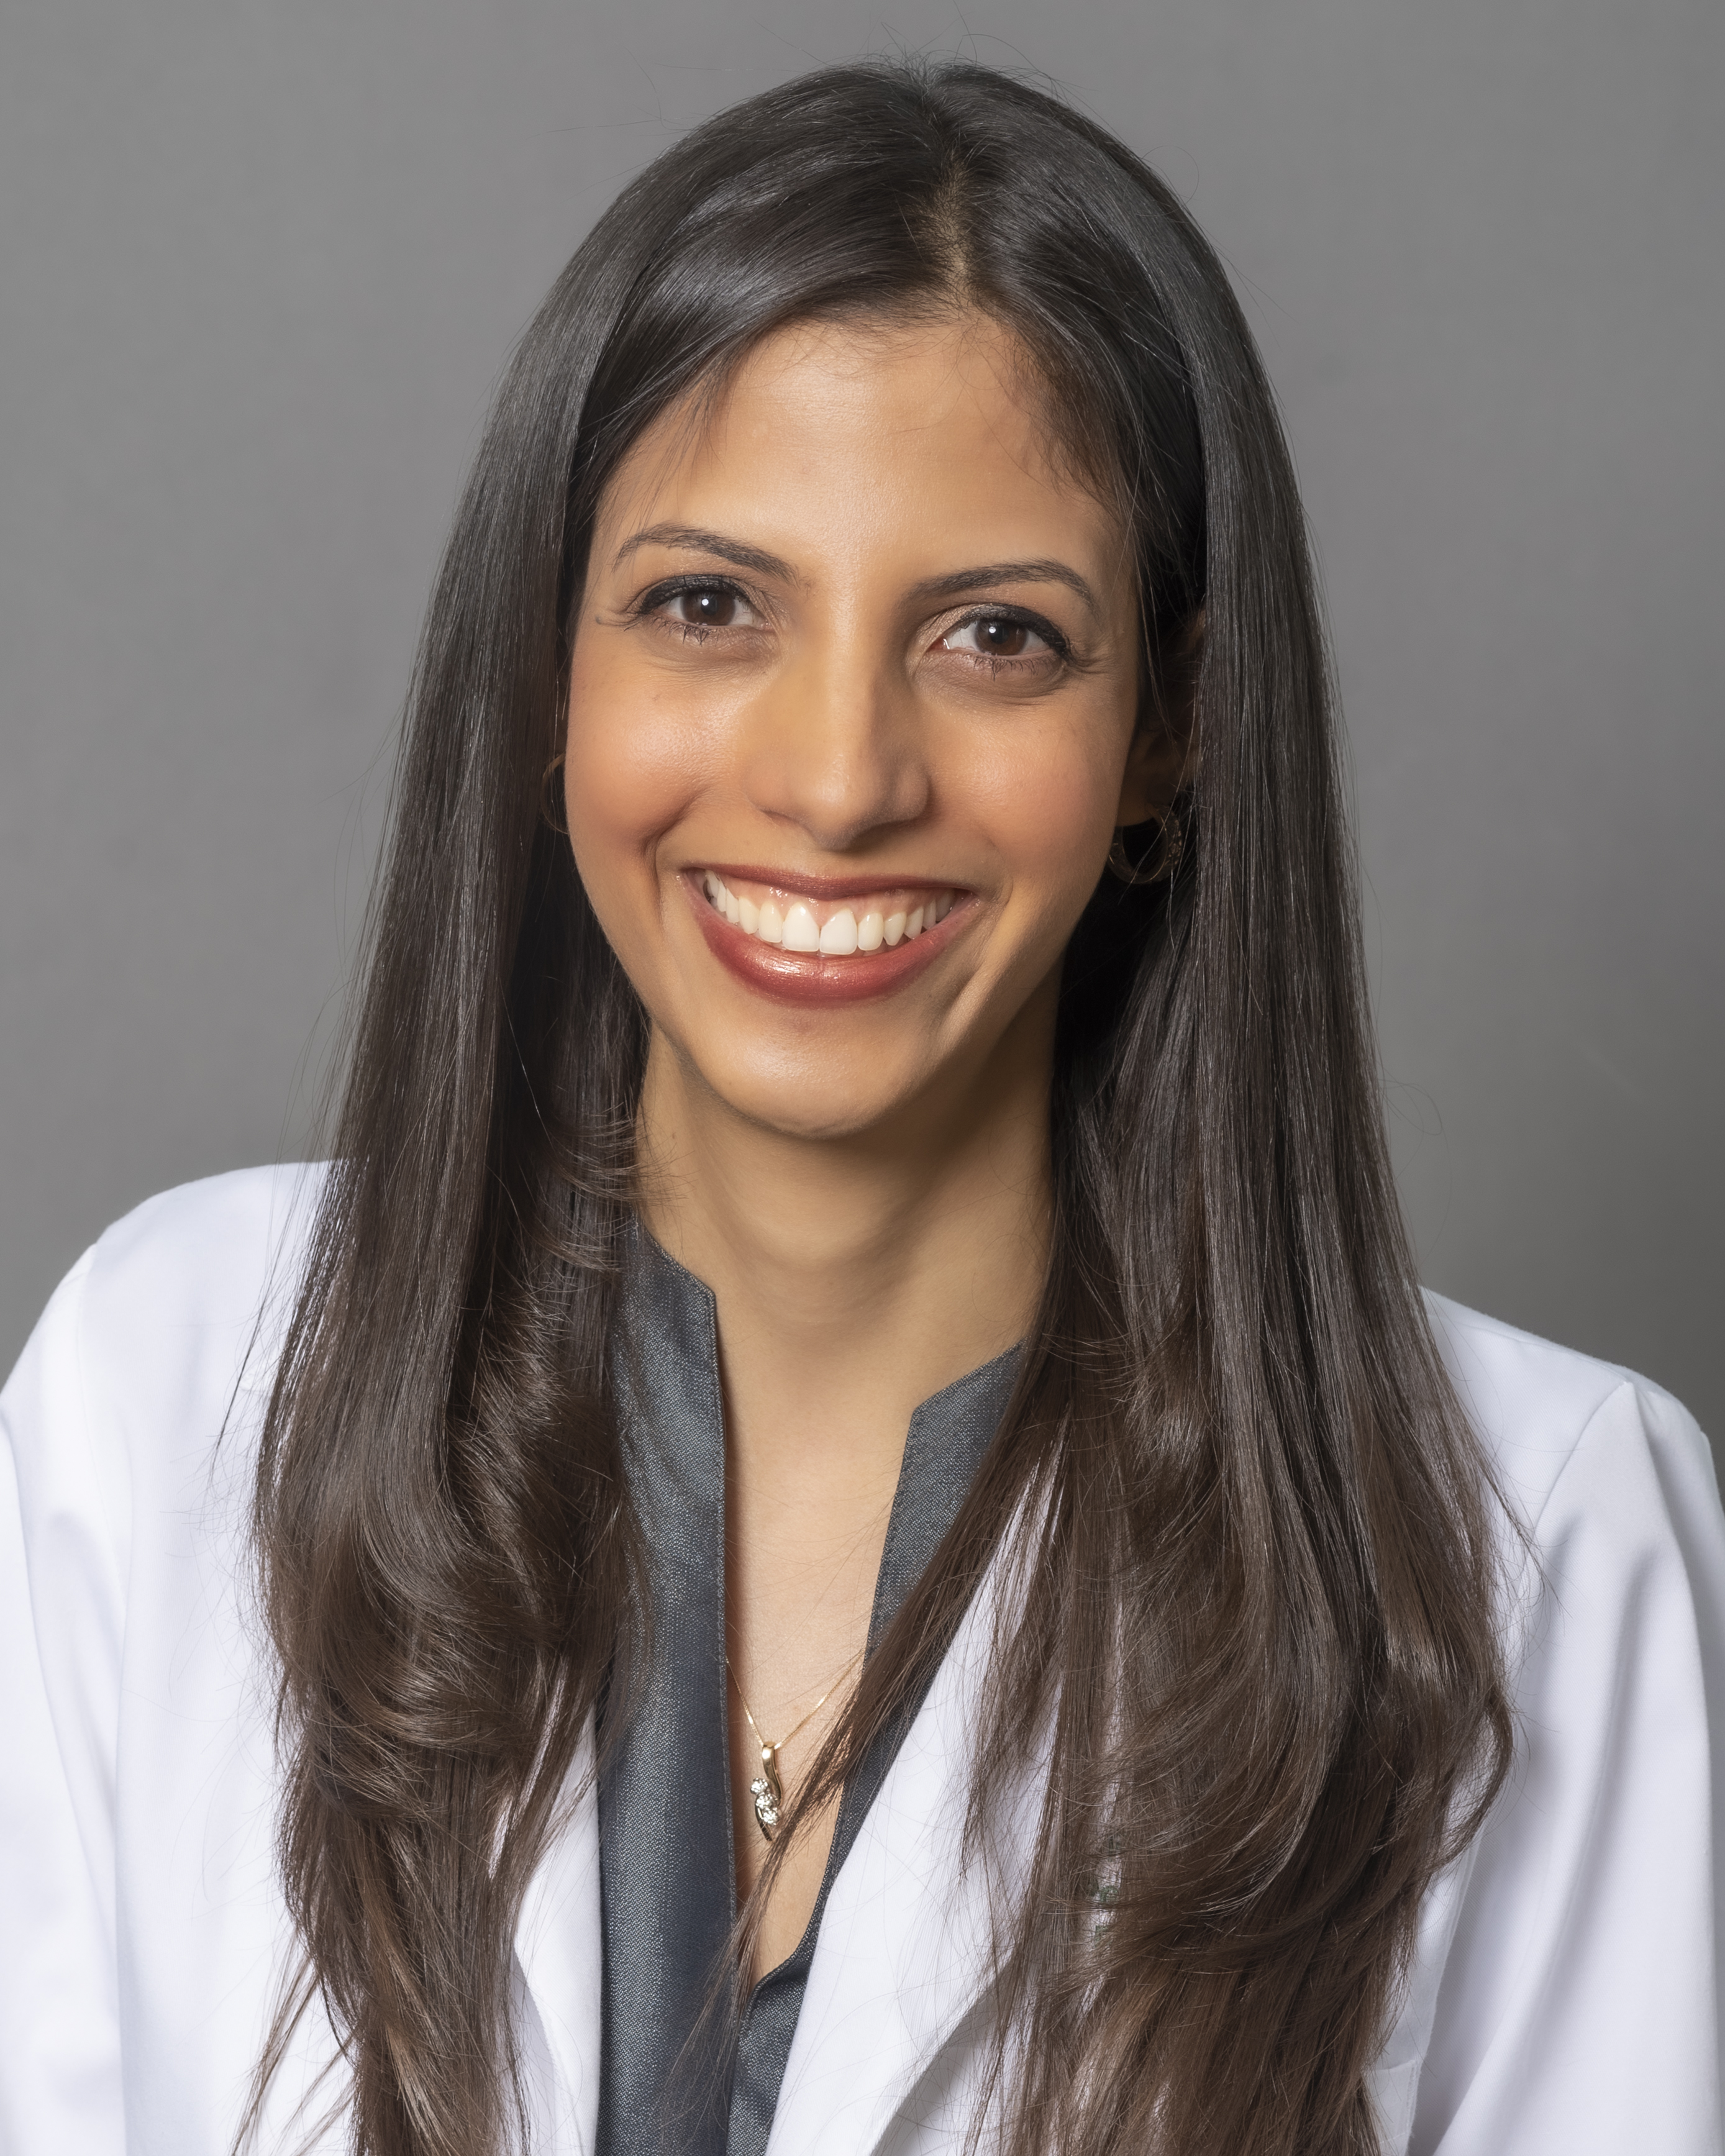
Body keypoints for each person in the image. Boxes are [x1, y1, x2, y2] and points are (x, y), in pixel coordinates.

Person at [2, 57, 1719, 2156]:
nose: (834, 783)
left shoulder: (1538, 1548)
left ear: (1167, 726)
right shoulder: (164, 1393)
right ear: (550, 670)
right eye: (707, 606)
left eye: (996, 636)